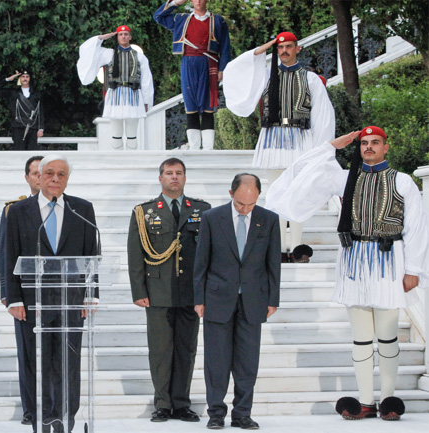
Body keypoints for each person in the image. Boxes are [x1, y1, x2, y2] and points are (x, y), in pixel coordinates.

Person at [265, 127, 429, 421]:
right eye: (364, 143)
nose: (368, 147)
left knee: (388, 334)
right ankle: (366, 401)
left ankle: (389, 398)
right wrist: (331, 146)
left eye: (375, 143)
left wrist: (414, 270)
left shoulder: (402, 181)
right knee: (362, 336)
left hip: (390, 261)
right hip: (354, 261)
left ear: (385, 148)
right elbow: (301, 170)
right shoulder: (344, 178)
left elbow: (417, 227)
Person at [4, 154, 99, 433]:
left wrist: (91, 293)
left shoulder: (82, 209)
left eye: (61, 175)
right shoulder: (20, 211)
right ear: (39, 176)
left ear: (67, 179)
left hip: (71, 302)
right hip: (33, 303)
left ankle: (65, 420)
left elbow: (91, 254)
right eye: (49, 174)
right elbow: (9, 255)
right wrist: (14, 298)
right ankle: (42, 420)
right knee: (38, 364)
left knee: (68, 363)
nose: (55, 179)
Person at [223, 31, 335, 260]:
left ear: (297, 49)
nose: (284, 51)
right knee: (276, 192)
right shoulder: (265, 76)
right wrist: (266, 47)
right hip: (273, 139)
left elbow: (323, 116)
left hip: (301, 138)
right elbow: (236, 69)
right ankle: (279, 246)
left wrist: (321, 149)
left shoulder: (311, 79)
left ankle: (296, 246)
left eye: (288, 47)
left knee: (299, 192)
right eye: (280, 47)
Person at [193, 174, 280, 430]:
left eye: (251, 204)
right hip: (217, 298)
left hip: (254, 299)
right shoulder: (211, 218)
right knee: (216, 360)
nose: (245, 209)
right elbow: (201, 262)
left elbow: (273, 263)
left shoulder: (269, 219)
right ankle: (216, 413)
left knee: (247, 361)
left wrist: (273, 298)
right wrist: (199, 298)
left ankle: (242, 413)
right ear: (231, 194)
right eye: (241, 203)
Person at [127, 157, 209, 423]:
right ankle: (162, 404)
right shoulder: (144, 212)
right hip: (158, 291)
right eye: (169, 173)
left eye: (179, 173)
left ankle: (182, 404)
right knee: (161, 350)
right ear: (160, 178)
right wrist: (138, 290)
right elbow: (135, 254)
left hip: (190, 293)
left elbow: (209, 254)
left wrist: (205, 292)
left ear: (185, 178)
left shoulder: (202, 210)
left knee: (186, 349)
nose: (174, 177)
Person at [0, 155, 43, 425]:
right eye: (34, 173)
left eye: (45, 171)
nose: (40, 177)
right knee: (27, 354)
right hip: (25, 294)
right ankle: (31, 408)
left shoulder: (70, 208)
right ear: (27, 177)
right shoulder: (13, 210)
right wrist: (9, 294)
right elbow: (7, 253)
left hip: (59, 294)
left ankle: (54, 403)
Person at [153, 0, 231, 150]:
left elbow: (226, 47)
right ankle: (195, 148)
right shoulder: (182, 19)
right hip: (188, 63)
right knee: (191, 103)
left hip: (210, 62)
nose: (199, 1)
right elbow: (158, 17)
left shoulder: (218, 20)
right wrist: (175, 2)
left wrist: (223, 69)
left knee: (208, 104)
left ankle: (208, 148)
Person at [77, 25, 154, 150]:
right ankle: (117, 159)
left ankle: (131, 159)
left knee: (132, 133)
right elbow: (87, 50)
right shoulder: (108, 53)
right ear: (117, 37)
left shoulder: (139, 56)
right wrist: (101, 38)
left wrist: (146, 100)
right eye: (120, 34)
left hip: (133, 94)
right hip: (115, 95)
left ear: (130, 37)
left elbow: (146, 79)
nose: (123, 36)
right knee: (116, 132)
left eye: (126, 34)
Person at [0, 71, 45, 150]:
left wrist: (41, 128)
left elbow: (40, 111)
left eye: (27, 77)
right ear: (19, 79)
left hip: (32, 127)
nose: (25, 79)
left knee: (32, 153)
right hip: (18, 127)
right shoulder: (13, 93)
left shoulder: (36, 94)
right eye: (23, 77)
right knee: (19, 151)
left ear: (30, 79)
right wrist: (8, 79)